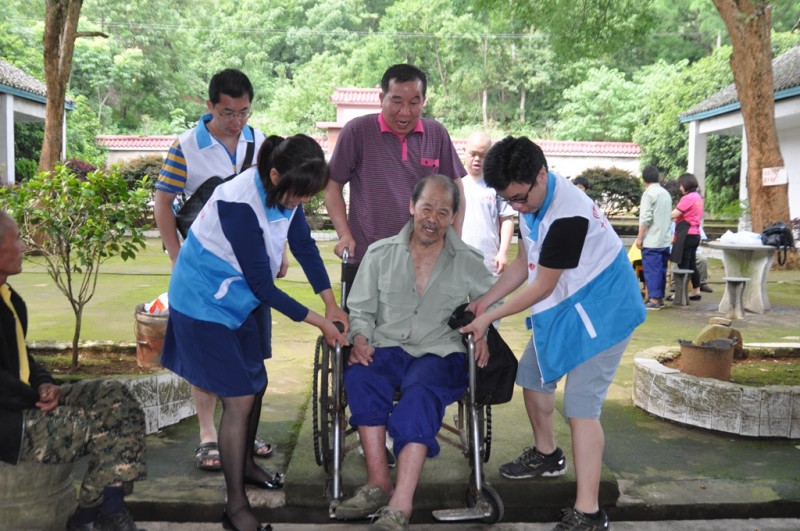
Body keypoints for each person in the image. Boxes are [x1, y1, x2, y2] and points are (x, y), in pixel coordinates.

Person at [160, 135, 349, 531]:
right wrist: (319, 321)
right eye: (296, 196)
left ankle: (244, 464)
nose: (298, 204)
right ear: (274, 174)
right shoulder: (238, 202)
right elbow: (264, 286)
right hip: (202, 301)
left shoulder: (286, 188)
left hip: (239, 297)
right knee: (240, 397)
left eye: (305, 198)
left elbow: (304, 246)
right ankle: (235, 507)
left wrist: (331, 303)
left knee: (255, 382)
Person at [458, 137, 646, 531]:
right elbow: (523, 262)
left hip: (605, 309)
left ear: (541, 174)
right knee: (533, 378)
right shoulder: (532, 200)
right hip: (567, 305)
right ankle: (548, 455)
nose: (517, 207)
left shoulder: (568, 214)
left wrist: (490, 316)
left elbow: (540, 285)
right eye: (509, 201)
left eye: (520, 198)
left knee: (581, 406)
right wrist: (484, 301)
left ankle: (590, 512)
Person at [333, 175, 495, 530]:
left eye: (443, 211)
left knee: (420, 395)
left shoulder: (468, 259)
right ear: (411, 207)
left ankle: (401, 505)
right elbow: (360, 310)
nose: (433, 219)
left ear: (453, 216)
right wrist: (359, 337)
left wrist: (483, 326)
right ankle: (378, 483)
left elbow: (490, 301)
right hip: (387, 346)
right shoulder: (379, 253)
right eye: (426, 208)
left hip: (440, 352)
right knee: (360, 376)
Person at [154, 68, 274, 471]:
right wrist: (176, 257)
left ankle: (241, 429)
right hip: (204, 269)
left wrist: (282, 252)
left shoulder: (258, 143)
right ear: (209, 106)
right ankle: (208, 434)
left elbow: (274, 201)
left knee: (248, 350)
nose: (236, 121)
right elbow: (163, 202)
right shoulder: (187, 146)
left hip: (249, 271)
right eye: (227, 113)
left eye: (243, 112)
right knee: (206, 351)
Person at [0, 211, 146, 531]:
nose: (24, 247)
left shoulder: (11, 300)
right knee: (96, 426)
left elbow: (23, 358)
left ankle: (95, 514)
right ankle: (100, 512)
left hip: (28, 402)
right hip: (8, 422)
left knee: (117, 397)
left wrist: (44, 385)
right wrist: (32, 398)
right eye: (17, 240)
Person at [323, 63, 468, 280]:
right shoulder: (357, 132)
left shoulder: (436, 134)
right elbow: (332, 186)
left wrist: (455, 239)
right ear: (382, 99)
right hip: (367, 257)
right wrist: (344, 235)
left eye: (414, 102)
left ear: (424, 101)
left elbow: (456, 189)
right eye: (397, 101)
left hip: (425, 260)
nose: (405, 112)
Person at [461, 131, 516, 277]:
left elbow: (507, 219)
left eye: (483, 155)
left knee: (491, 300)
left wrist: (503, 253)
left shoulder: (497, 186)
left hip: (489, 261)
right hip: (457, 261)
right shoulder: (454, 184)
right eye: (473, 154)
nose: (477, 159)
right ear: (464, 151)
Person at [635, 165, 673, 310]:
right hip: (664, 238)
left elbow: (645, 218)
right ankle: (659, 297)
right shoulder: (665, 193)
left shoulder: (649, 194)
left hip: (652, 239)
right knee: (661, 269)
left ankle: (654, 299)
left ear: (644, 179)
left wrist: (640, 237)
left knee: (652, 270)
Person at [670, 173, 705, 301]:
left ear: (685, 184)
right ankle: (696, 290)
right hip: (695, 234)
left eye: (681, 185)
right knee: (691, 264)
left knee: (682, 264)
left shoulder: (688, 198)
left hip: (686, 234)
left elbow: (675, 213)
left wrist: (661, 216)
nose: (680, 188)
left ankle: (681, 293)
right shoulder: (698, 197)